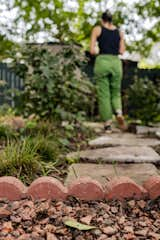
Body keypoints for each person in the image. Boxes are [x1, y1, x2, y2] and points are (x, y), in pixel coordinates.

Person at [90, 9, 127, 132]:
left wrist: (98, 51)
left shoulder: (97, 29)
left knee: (104, 93)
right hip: (116, 63)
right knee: (115, 92)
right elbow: (122, 51)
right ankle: (118, 112)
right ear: (111, 20)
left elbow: (92, 50)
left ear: (102, 20)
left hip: (102, 61)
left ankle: (108, 124)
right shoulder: (119, 32)